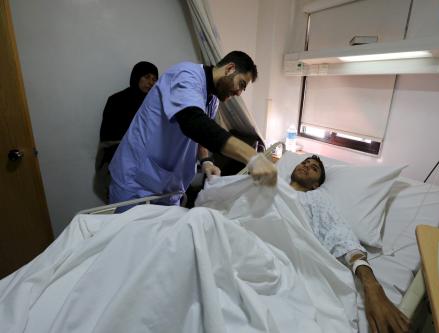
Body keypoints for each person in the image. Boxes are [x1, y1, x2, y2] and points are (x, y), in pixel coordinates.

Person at [108, 51, 276, 210]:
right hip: (137, 181)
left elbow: (199, 135)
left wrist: (206, 161)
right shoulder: (186, 75)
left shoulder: (212, 99)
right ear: (230, 68)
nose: (239, 93)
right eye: (241, 84)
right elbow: (193, 122)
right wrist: (251, 156)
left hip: (168, 187)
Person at [289, 156, 410, 333]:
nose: (306, 166)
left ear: (316, 185)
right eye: (304, 163)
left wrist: (372, 286)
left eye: (314, 168)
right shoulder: (265, 185)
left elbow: (340, 235)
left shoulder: (315, 199)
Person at [94, 61, 159, 202]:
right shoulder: (116, 100)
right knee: (123, 207)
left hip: (147, 169)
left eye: (154, 79)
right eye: (147, 77)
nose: (151, 82)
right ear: (137, 77)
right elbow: (107, 136)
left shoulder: (154, 105)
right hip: (120, 164)